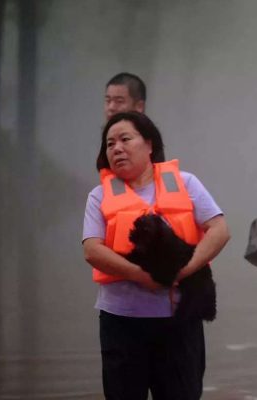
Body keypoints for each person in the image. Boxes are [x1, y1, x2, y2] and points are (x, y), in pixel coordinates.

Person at [81, 111, 229, 399]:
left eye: (125, 139)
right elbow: (92, 250)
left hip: (179, 320)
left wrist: (184, 272)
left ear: (149, 144)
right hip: (121, 323)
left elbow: (220, 230)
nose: (117, 148)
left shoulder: (185, 183)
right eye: (110, 144)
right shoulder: (99, 196)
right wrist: (140, 276)